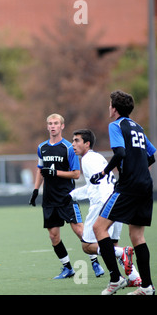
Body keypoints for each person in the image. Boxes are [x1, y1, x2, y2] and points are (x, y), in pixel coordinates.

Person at [90, 90, 156, 295]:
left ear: (115, 109)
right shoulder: (138, 127)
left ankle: (115, 278)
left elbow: (119, 153)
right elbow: (152, 155)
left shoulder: (115, 125)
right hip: (146, 186)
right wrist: (138, 169)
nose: (109, 108)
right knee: (137, 236)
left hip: (128, 187)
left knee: (99, 228)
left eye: (110, 105)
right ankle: (147, 286)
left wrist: (103, 172)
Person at [66, 129, 141, 285]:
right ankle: (135, 278)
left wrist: (105, 208)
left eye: (77, 140)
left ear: (87, 144)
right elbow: (93, 185)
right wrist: (72, 194)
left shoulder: (87, 160)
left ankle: (123, 253)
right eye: (73, 140)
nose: (73, 144)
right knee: (112, 243)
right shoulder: (97, 157)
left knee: (87, 246)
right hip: (115, 200)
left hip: (103, 204)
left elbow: (99, 187)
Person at [29, 113, 84, 279]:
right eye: (50, 123)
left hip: (67, 197)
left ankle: (96, 261)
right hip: (50, 199)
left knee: (80, 232)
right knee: (53, 235)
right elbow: (40, 170)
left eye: (56, 123)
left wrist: (55, 172)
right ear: (47, 126)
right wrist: (35, 190)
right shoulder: (42, 147)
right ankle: (67, 268)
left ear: (62, 126)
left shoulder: (69, 148)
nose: (53, 126)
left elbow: (76, 174)